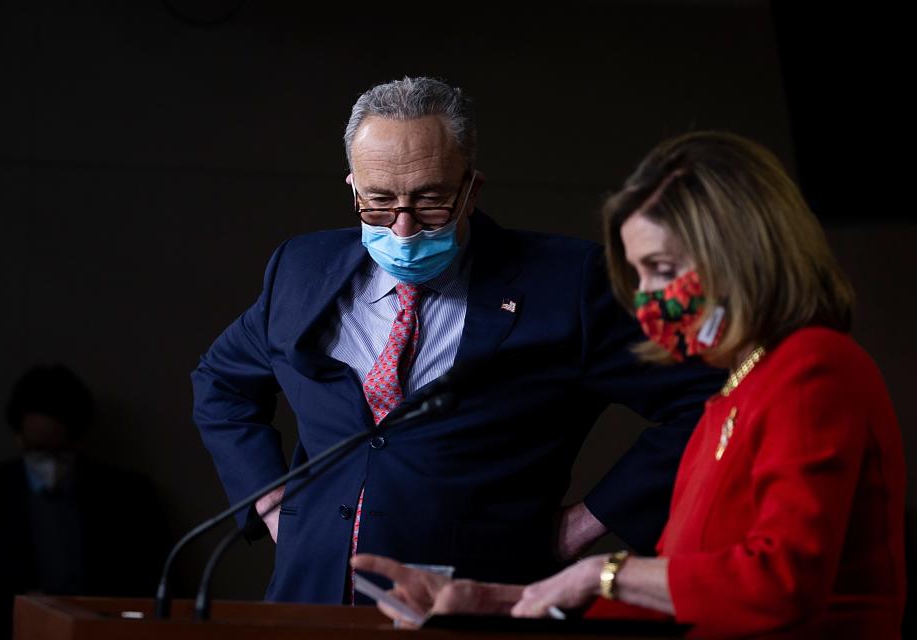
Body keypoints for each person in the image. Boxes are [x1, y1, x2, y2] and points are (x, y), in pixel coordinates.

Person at [192, 77, 723, 605]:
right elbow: (221, 381)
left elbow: (707, 400)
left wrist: (587, 524)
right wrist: (269, 503)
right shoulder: (300, 268)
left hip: (479, 606)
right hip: (307, 601)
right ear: (352, 187)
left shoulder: (568, 284)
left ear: (472, 189)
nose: (403, 229)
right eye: (378, 202)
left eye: (431, 201)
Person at [353, 131, 906, 637]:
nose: (644, 301)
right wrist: (490, 602)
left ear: (741, 254)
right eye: (638, 277)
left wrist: (601, 573)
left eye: (661, 268)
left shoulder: (812, 366)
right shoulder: (732, 394)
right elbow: (673, 599)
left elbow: (782, 582)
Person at [0, 365, 168, 640]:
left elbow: (151, 585)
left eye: (59, 451)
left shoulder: (128, 496)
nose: (49, 464)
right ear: (19, 436)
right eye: (38, 450)